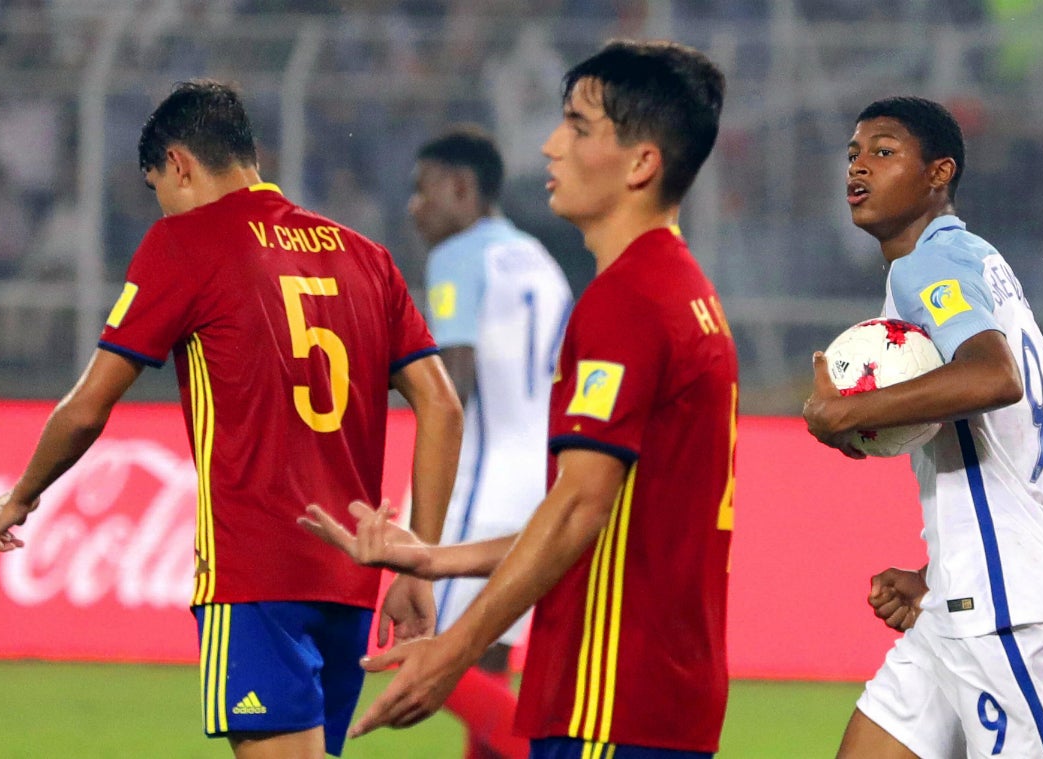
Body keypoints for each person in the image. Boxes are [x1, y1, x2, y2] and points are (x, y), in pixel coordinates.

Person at [0, 80, 463, 759]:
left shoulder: (186, 243)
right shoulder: (367, 257)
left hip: (256, 572)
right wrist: (416, 561)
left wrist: (21, 495)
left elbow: (88, 407)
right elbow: (442, 404)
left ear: (178, 165)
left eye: (160, 188)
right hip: (353, 577)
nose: (165, 205)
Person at [302, 39, 737, 758]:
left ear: (642, 163)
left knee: (477, 674)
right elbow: (599, 519)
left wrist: (450, 649)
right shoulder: (687, 294)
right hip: (657, 688)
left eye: (578, 126)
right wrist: (435, 560)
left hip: (610, 698)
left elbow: (577, 509)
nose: (550, 145)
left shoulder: (628, 301)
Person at [802, 96, 1043, 758]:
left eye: (882, 151)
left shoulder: (929, 263)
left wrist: (847, 411)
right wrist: (943, 572)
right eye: (852, 153)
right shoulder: (980, 272)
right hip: (961, 601)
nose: (859, 167)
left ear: (939, 174)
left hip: (1005, 614)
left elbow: (994, 378)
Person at [407, 125, 573, 759]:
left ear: (460, 187)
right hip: (544, 477)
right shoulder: (538, 256)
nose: (415, 207)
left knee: (419, 650)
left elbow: (453, 385)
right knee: (488, 659)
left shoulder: (458, 254)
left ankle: (549, 752)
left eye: (423, 191)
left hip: (484, 476)